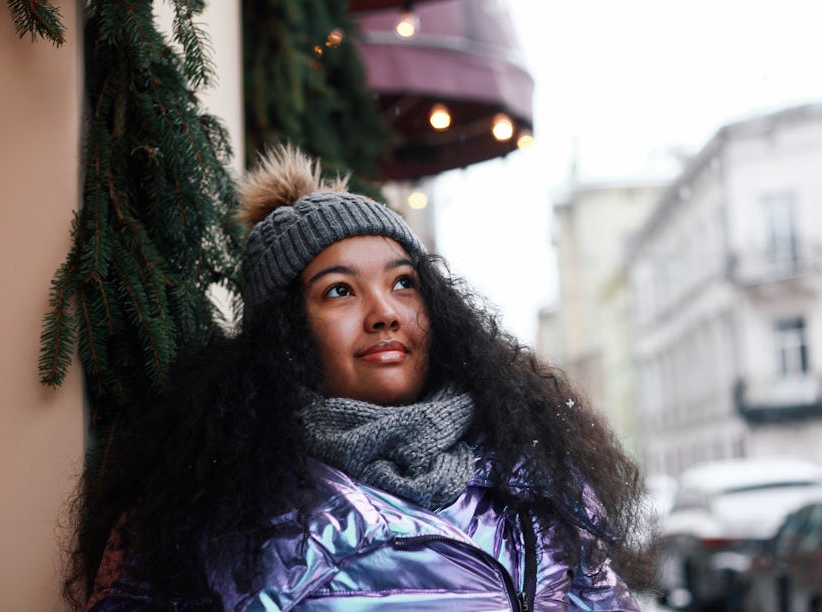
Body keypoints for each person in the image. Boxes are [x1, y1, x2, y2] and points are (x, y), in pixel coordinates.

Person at [65, 145, 649, 611]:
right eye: (339, 291)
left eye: (403, 283)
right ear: (285, 334)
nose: (385, 311)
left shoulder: (535, 481)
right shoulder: (205, 506)